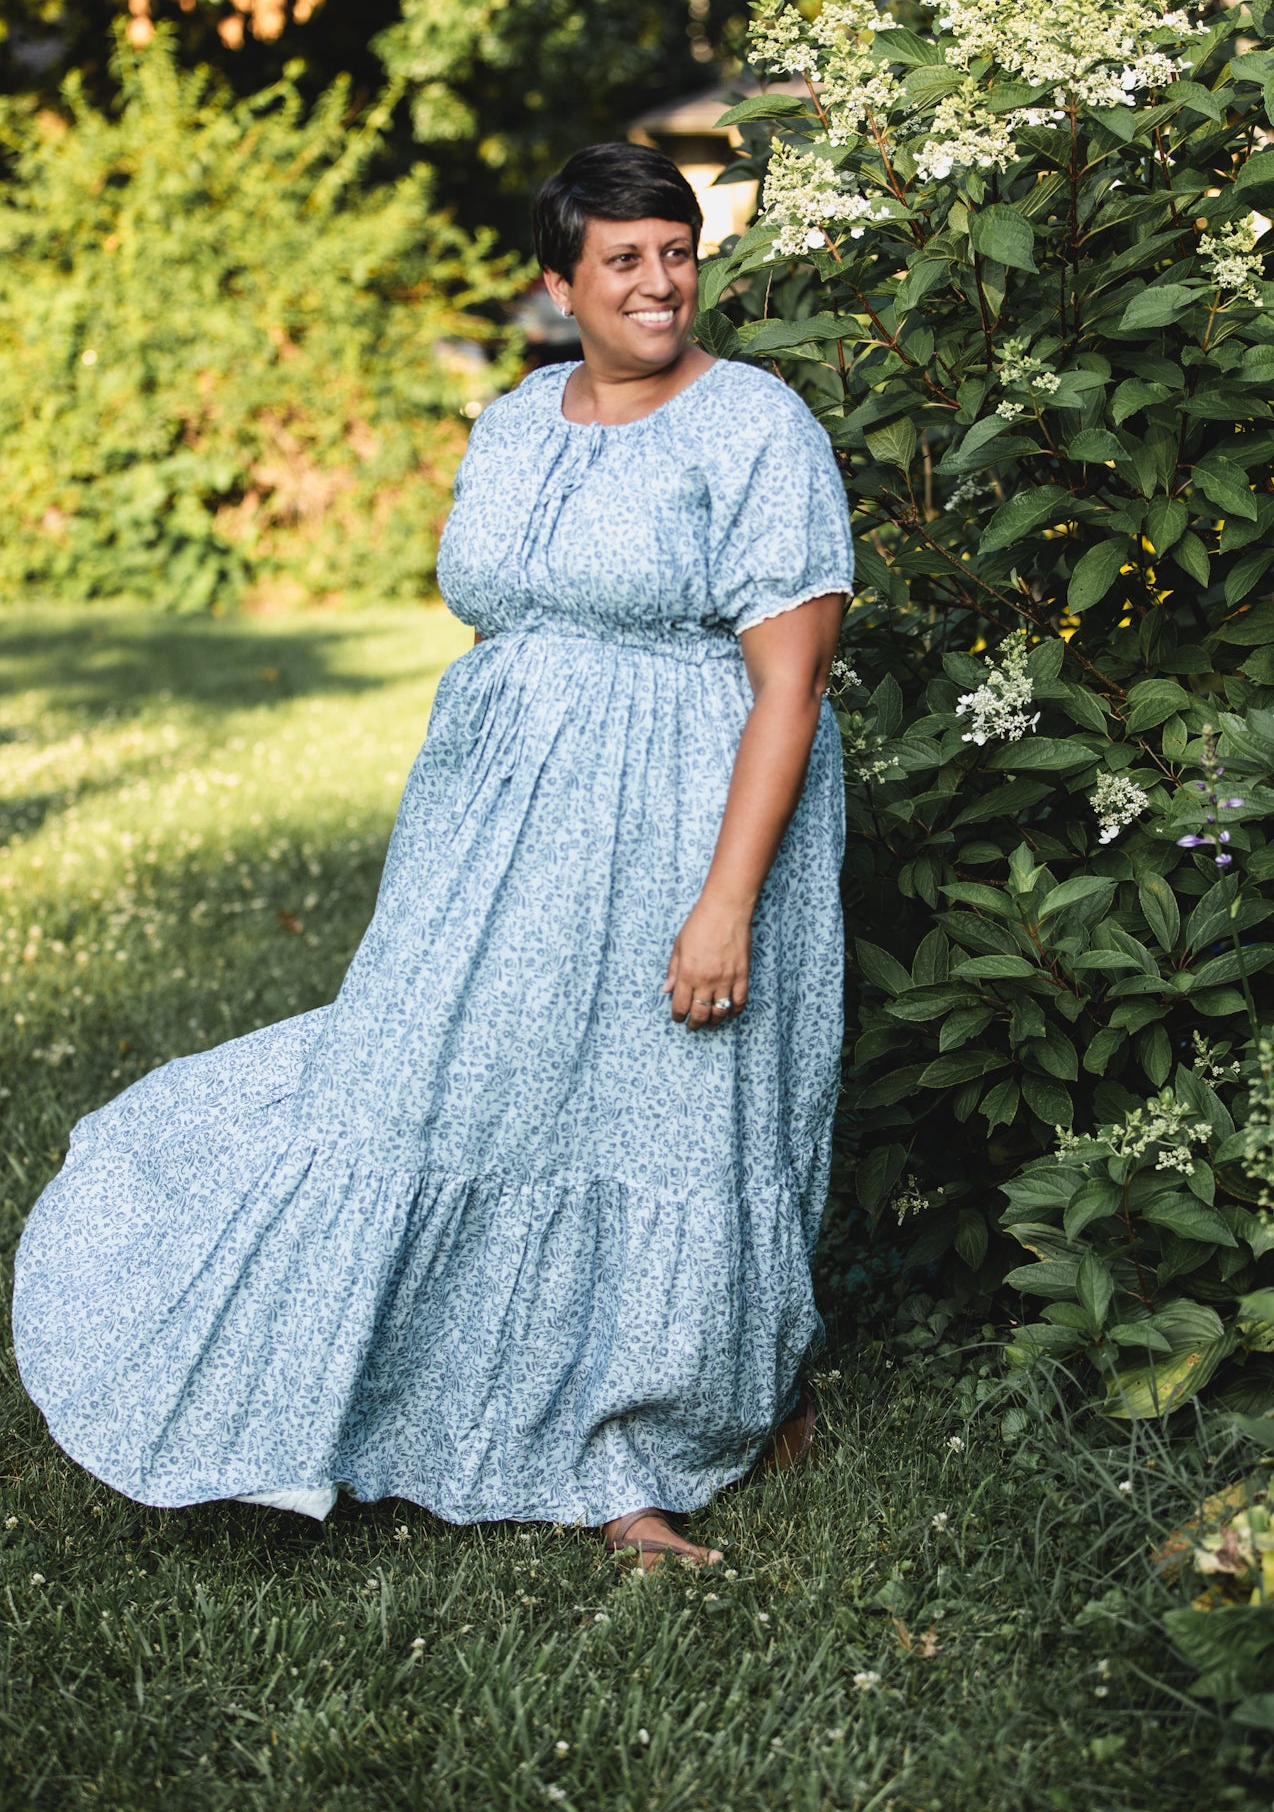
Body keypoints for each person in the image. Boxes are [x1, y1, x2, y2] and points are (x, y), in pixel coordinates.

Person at [14, 142, 854, 1569]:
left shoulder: (754, 428)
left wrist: (725, 905)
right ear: (559, 286)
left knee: (655, 1114)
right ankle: (383, 1394)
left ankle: (633, 1449)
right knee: (428, 1088)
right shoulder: (516, 420)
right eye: (625, 260)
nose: (660, 283)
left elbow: (789, 684)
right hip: (493, 830)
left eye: (677, 251)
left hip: (677, 815)